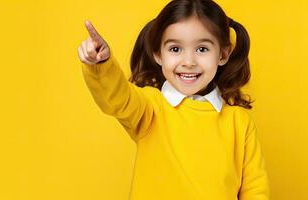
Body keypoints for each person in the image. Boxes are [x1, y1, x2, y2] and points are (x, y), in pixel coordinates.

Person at [77, 0, 269, 199]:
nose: (188, 62)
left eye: (202, 49)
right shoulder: (150, 108)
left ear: (223, 54)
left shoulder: (239, 122)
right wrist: (101, 64)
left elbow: (255, 189)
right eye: (175, 49)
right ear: (158, 54)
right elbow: (117, 99)